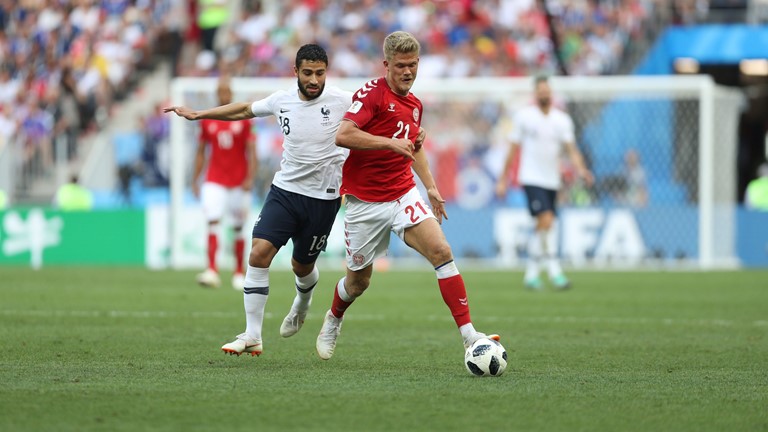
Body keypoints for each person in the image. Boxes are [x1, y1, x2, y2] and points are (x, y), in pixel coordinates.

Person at [314, 31, 498, 361]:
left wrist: (430, 186)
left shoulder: (415, 105)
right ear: (387, 65)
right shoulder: (371, 94)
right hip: (365, 203)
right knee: (358, 284)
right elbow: (343, 134)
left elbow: (414, 147)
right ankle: (333, 318)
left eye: (413, 65)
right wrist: (387, 142)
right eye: (401, 66)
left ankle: (470, 337)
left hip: (402, 194)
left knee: (441, 250)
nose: (408, 72)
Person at [165, 44, 352, 357]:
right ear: (296, 72)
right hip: (285, 192)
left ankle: (302, 303)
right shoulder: (282, 100)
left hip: (323, 199)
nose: (314, 79)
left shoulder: (343, 100)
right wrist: (200, 114)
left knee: (302, 266)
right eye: (308, 72)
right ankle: (252, 335)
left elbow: (377, 115)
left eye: (319, 73)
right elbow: (242, 110)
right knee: (259, 253)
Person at [495, 75, 593, 291]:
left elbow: (571, 149)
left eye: (546, 90)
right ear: (535, 94)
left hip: (552, 179)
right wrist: (503, 179)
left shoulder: (562, 120)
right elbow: (512, 149)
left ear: (551, 93)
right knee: (547, 220)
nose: (544, 94)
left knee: (546, 225)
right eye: (540, 91)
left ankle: (536, 273)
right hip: (531, 177)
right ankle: (550, 270)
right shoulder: (524, 117)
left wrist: (582, 170)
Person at [186, 77, 257, 290]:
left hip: (238, 181)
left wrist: (250, 178)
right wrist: (195, 179)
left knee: (238, 226)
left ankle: (238, 271)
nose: (224, 94)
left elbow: (252, 151)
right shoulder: (209, 120)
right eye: (221, 91)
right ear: (218, 94)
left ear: (231, 94)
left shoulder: (243, 119)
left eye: (226, 91)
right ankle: (212, 270)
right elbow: (201, 152)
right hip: (214, 179)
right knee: (213, 221)